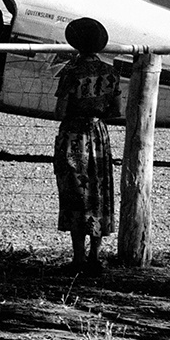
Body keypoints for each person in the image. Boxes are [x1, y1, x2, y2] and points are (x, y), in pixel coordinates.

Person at [53, 49, 121, 275]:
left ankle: (78, 257)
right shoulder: (111, 72)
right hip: (99, 135)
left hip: (74, 135)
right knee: (98, 192)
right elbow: (116, 110)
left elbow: (60, 111)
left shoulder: (71, 71)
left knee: (76, 192)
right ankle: (95, 256)